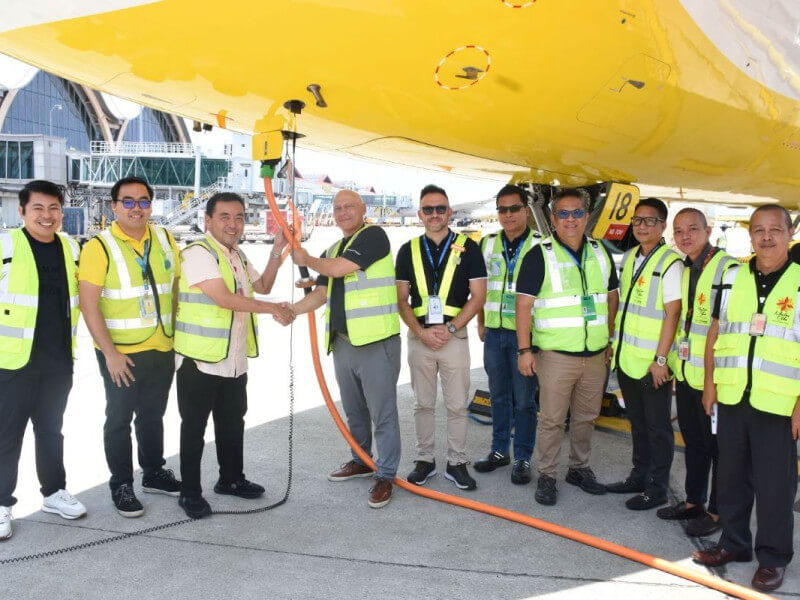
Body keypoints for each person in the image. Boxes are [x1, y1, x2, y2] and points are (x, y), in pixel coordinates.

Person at [693, 204, 800, 593]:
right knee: (732, 477)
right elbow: (715, 332)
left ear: (790, 233)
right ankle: (734, 543)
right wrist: (710, 384)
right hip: (733, 395)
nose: (766, 237)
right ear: (750, 235)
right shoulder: (733, 277)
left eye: (775, 229)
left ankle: (772, 558)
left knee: (775, 487)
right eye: (759, 230)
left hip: (778, 402)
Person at [174, 192, 294, 519]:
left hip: (233, 360)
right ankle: (190, 493)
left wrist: (278, 249)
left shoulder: (237, 255)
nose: (233, 224)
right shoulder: (198, 253)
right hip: (199, 361)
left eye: (239, 217)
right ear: (207, 221)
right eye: (225, 217)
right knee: (194, 428)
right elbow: (224, 298)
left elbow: (263, 285)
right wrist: (274, 310)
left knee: (231, 423)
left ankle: (230, 479)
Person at [291, 190, 401, 509]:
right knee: (354, 411)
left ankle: (386, 474)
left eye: (349, 206)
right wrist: (291, 310)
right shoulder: (332, 250)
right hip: (343, 342)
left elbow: (339, 269)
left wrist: (308, 260)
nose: (342, 212)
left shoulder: (374, 236)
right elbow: (321, 293)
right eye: (337, 208)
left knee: (383, 413)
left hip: (375, 342)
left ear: (363, 208)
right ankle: (362, 460)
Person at [80, 177, 182, 517]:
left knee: (152, 415)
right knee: (119, 419)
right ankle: (121, 485)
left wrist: (176, 338)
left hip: (162, 345)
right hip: (121, 352)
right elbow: (89, 305)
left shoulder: (164, 238)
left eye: (143, 201)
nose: (136, 208)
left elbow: (175, 287)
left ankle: (153, 472)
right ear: (114, 206)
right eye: (128, 201)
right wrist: (110, 354)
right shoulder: (100, 247)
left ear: (151, 205)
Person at [516, 188, 618, 505]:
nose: (570, 219)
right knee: (552, 420)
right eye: (563, 213)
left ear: (586, 217)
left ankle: (579, 468)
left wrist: (609, 338)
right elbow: (523, 306)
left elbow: (611, 297)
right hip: (556, 356)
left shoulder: (600, 252)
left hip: (595, 355)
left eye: (577, 213)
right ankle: (547, 475)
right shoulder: (539, 255)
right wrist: (525, 350)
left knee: (586, 417)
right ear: (552, 218)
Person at [0, 181, 86, 541]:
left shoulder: (70, 248)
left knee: (51, 430)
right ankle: (1, 503)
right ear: (22, 211)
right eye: (38, 208)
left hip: (58, 360)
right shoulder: (6, 245)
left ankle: (53, 492)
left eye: (54, 208)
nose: (47, 215)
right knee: (7, 435)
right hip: (12, 362)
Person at [396, 185, 487, 491]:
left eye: (440, 209)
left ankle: (457, 462)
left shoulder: (468, 247)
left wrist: (450, 329)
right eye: (428, 209)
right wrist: (421, 332)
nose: (434, 214)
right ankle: (424, 460)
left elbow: (478, 296)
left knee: (457, 405)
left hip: (454, 337)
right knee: (422, 404)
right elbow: (402, 300)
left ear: (449, 212)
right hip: (420, 338)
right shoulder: (408, 250)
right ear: (420, 214)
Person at [658, 208, 737, 535]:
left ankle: (717, 513)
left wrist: (711, 383)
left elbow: (724, 330)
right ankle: (694, 502)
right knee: (694, 443)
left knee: (719, 450)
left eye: (692, 229)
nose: (685, 236)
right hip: (689, 373)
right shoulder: (687, 267)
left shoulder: (727, 269)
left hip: (712, 378)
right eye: (678, 231)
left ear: (709, 230)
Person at [606, 198, 683, 510]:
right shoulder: (629, 257)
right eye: (637, 220)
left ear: (662, 226)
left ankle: (658, 487)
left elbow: (673, 313)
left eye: (650, 220)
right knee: (637, 423)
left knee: (658, 428)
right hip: (627, 359)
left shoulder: (671, 263)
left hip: (654, 364)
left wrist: (661, 359)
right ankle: (639, 476)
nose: (642, 226)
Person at [474, 185, 539, 485]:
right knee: (498, 396)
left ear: (526, 210)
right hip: (494, 332)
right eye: (502, 210)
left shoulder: (541, 245)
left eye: (514, 209)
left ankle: (523, 457)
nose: (508, 215)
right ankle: (499, 450)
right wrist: (480, 322)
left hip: (525, 337)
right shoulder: (487, 244)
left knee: (524, 400)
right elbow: (479, 287)